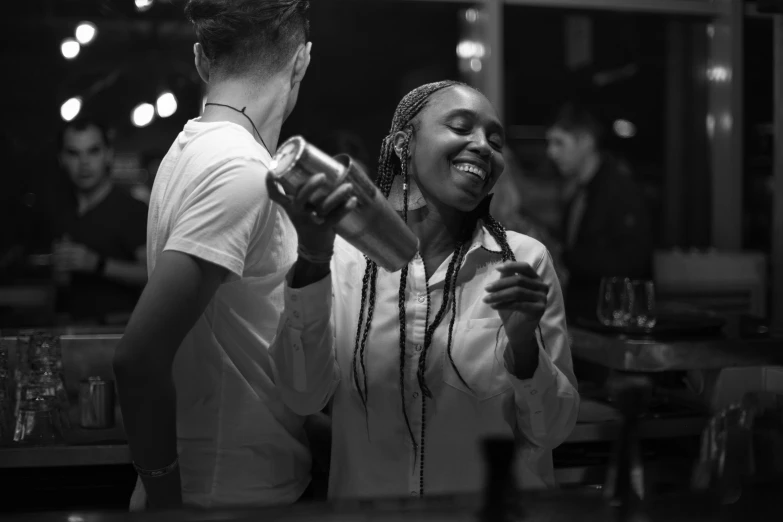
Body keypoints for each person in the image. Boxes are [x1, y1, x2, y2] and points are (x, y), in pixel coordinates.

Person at [268, 81, 579, 499]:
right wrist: (311, 257)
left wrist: (524, 348)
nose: (483, 146)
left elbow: (552, 430)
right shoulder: (343, 260)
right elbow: (302, 395)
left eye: (495, 139)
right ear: (402, 144)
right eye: (461, 126)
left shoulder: (523, 262)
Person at [113, 0, 314, 511]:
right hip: (225, 492)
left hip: (227, 483)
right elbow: (138, 357)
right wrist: (165, 498)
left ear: (202, 60)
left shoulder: (190, 149)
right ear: (301, 62)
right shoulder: (239, 170)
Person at [546, 102, 653, 321]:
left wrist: (564, 256)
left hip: (614, 322)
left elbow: (633, 263)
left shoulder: (619, 191)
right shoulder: (578, 191)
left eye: (559, 143)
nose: (551, 152)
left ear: (585, 141)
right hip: (586, 320)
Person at [52, 117, 148, 324]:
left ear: (108, 155)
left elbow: (154, 275)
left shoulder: (132, 210)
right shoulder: (59, 208)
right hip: (69, 327)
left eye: (93, 151)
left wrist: (98, 265)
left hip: (118, 331)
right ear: (61, 158)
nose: (84, 162)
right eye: (73, 153)